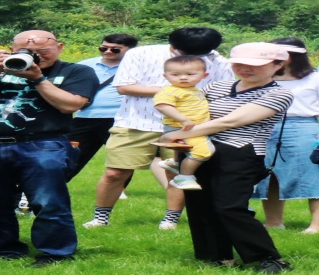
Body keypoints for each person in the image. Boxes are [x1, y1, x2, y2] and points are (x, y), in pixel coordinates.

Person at [0, 30, 96, 266]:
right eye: (26, 51)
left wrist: (38, 78)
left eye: (43, 50)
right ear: (12, 50)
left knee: (47, 201)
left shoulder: (76, 71)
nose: (35, 56)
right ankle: (5, 250)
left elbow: (71, 105)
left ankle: (55, 253)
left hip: (42, 143)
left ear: (59, 47)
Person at [158, 43, 298, 274]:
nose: (245, 69)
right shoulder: (217, 86)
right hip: (197, 149)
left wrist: (174, 135)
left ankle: (268, 258)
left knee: (229, 206)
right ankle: (217, 257)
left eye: (255, 65)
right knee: (200, 204)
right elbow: (184, 106)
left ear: (278, 65)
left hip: (240, 152)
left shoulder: (278, 93)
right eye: (239, 63)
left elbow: (229, 121)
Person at [89, 27, 232, 230]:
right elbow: (124, 86)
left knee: (176, 174)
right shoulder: (141, 53)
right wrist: (175, 92)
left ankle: (171, 220)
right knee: (115, 173)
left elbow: (222, 94)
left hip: (189, 129)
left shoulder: (220, 62)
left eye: (201, 56)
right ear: (173, 47)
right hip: (137, 122)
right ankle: (100, 218)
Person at [254, 37, 319, 234]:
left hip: (302, 127)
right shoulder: (264, 77)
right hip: (264, 127)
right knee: (269, 176)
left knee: (311, 174)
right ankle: (273, 222)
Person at [68, 33, 136, 179]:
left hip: (120, 119)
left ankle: (118, 188)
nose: (108, 52)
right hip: (85, 117)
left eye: (115, 49)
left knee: (121, 159)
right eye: (103, 48)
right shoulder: (85, 65)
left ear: (130, 50)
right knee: (70, 155)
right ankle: (53, 185)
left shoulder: (136, 67)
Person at [153, 56, 214, 191]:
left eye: (190, 74)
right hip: (182, 128)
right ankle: (184, 177)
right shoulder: (169, 91)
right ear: (165, 76)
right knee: (204, 151)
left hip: (193, 128)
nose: (183, 78)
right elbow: (162, 105)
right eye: (175, 75)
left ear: (204, 75)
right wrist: (183, 119)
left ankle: (174, 163)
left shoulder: (195, 90)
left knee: (187, 149)